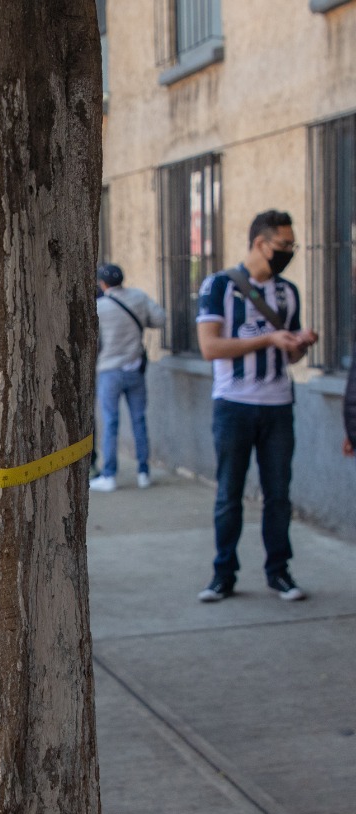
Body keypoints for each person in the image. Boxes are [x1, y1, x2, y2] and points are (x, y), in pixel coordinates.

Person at [195, 209, 317, 603]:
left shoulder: (287, 292)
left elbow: (290, 357)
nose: (289, 252)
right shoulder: (219, 287)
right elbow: (210, 347)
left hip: (279, 405)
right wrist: (269, 340)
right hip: (234, 405)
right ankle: (222, 574)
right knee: (229, 493)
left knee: (278, 494)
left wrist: (298, 345)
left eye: (291, 246)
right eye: (284, 246)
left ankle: (279, 572)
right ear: (260, 243)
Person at [90, 263, 166, 492]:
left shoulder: (99, 307)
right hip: (135, 370)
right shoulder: (138, 297)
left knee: (110, 422)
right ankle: (143, 472)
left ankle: (109, 474)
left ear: (102, 284)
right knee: (139, 420)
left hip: (109, 371)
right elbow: (160, 319)